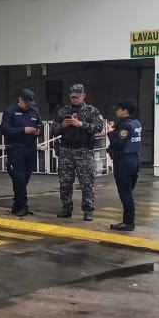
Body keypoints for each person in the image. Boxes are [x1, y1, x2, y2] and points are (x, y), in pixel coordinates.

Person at [52, 83, 105, 220]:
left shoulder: (91, 111)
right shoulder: (63, 111)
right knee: (65, 182)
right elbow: (53, 129)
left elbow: (98, 127)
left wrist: (81, 124)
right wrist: (62, 125)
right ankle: (66, 208)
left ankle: (88, 211)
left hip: (84, 151)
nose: (74, 99)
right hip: (66, 151)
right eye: (72, 97)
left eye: (77, 96)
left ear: (83, 96)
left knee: (86, 183)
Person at [0, 88, 43, 216]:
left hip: (30, 149)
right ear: (20, 99)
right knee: (19, 178)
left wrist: (38, 131)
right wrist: (23, 130)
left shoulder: (34, 112)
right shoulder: (10, 112)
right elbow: (5, 130)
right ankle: (22, 205)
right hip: (15, 149)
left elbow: (40, 126)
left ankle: (17, 205)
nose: (28, 106)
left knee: (26, 177)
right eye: (26, 103)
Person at [106, 98, 143, 231]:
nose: (116, 111)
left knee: (125, 192)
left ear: (124, 110)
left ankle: (128, 222)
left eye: (118, 109)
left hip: (124, 161)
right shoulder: (136, 123)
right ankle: (128, 220)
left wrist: (110, 132)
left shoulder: (125, 125)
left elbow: (119, 143)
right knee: (128, 191)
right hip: (134, 159)